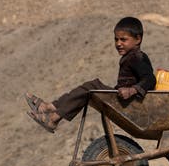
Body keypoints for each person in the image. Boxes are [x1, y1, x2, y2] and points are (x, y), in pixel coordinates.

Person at [25, 16, 156, 132]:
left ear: (138, 39)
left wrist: (132, 90)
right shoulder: (130, 57)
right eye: (116, 39)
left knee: (92, 86)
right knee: (89, 87)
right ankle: (51, 109)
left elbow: (150, 79)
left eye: (123, 39)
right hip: (123, 101)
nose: (118, 43)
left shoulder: (138, 57)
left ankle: (53, 116)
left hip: (129, 104)